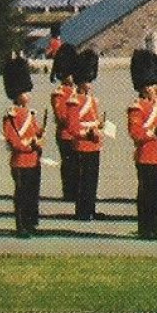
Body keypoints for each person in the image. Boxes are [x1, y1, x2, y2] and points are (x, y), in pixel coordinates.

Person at [126, 48, 157, 239]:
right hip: (146, 155)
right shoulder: (137, 107)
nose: (156, 88)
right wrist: (156, 132)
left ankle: (155, 226)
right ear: (144, 86)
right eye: (152, 84)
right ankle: (145, 228)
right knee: (147, 195)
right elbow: (136, 133)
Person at [1, 55, 43, 238]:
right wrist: (30, 145)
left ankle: (30, 222)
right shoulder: (11, 115)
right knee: (22, 196)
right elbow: (13, 139)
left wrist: (39, 138)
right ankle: (21, 225)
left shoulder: (29, 114)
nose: (28, 95)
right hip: (20, 161)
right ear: (16, 93)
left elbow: (35, 131)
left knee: (32, 195)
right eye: (24, 92)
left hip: (33, 160)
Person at [69, 49, 105, 221]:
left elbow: (95, 120)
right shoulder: (74, 101)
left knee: (92, 180)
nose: (90, 84)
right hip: (83, 144)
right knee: (84, 181)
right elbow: (73, 128)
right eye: (87, 80)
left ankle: (90, 208)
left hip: (94, 143)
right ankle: (82, 211)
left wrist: (100, 127)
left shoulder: (92, 100)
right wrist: (88, 133)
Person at [50, 43, 80, 202]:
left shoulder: (76, 91)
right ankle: (69, 192)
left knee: (77, 166)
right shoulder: (59, 93)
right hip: (66, 134)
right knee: (69, 166)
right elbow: (62, 116)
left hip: (77, 134)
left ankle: (77, 191)